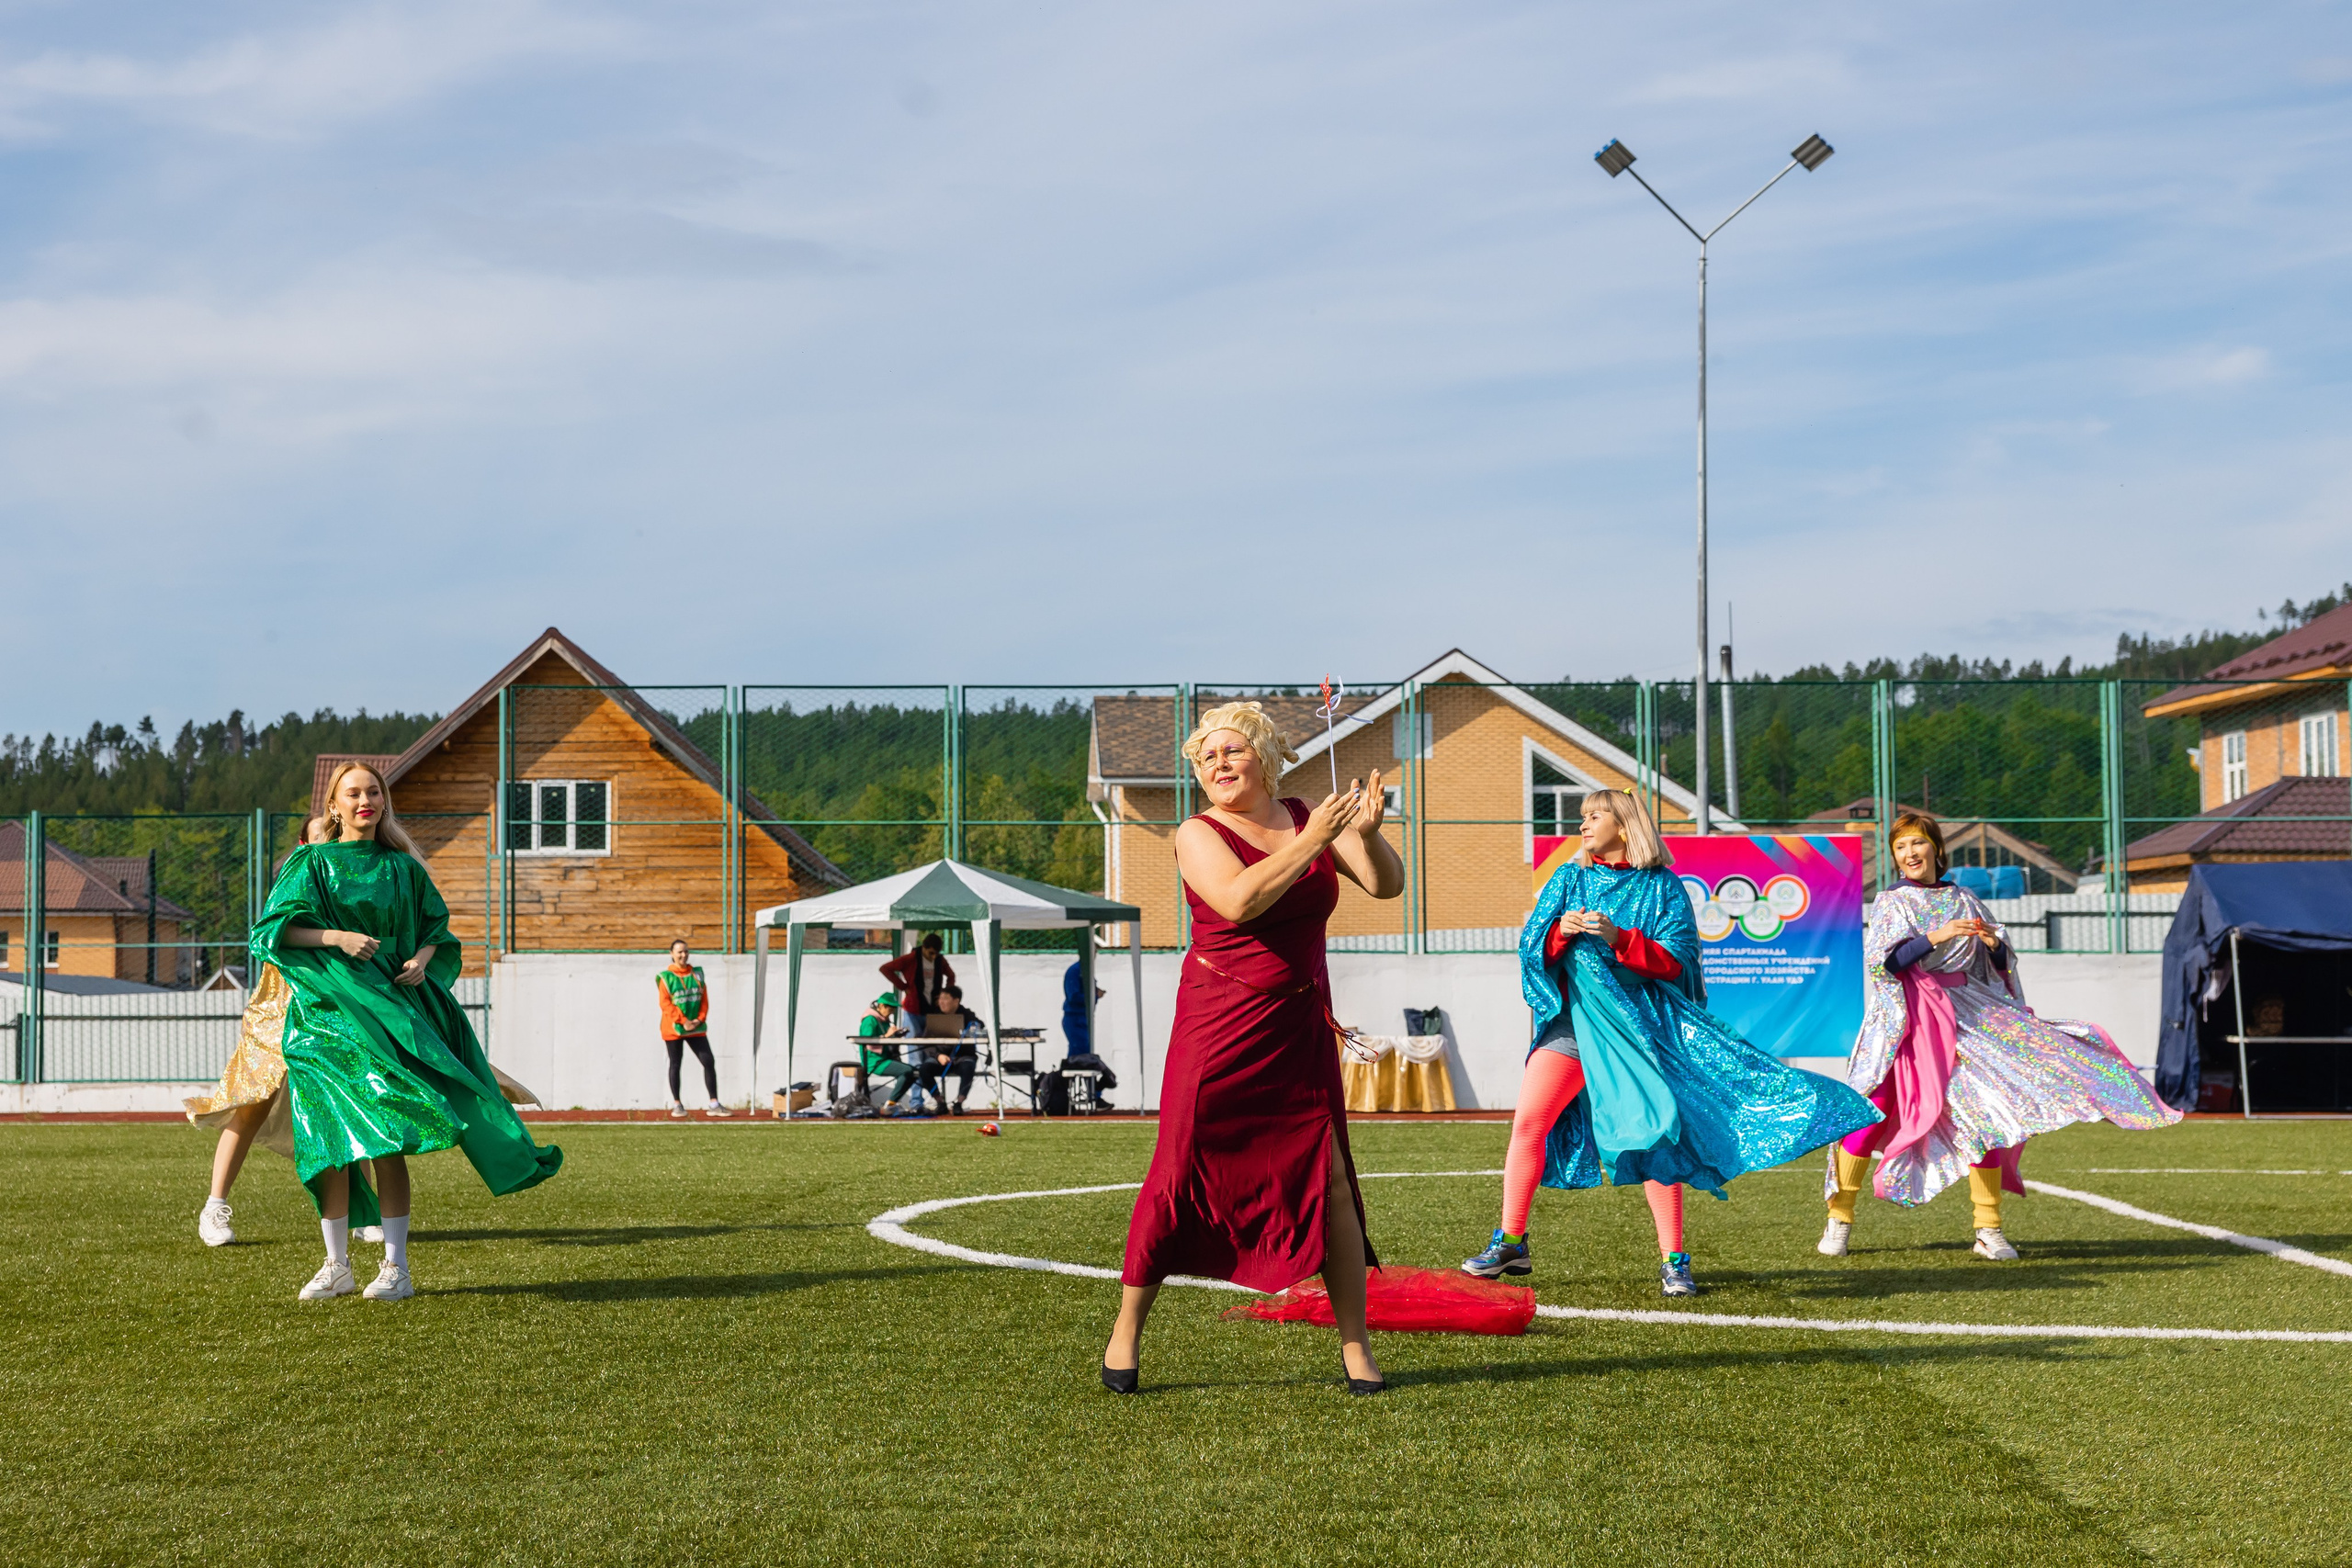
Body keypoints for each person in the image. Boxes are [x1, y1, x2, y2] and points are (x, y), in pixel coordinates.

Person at [1460, 788, 1878, 1297]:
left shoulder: (1663, 886)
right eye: (1582, 816)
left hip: (1641, 1031)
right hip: (1572, 1028)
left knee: (1655, 1136)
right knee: (1529, 1123)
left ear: (1624, 825)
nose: (1583, 825)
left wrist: (1618, 937)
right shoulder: (1568, 878)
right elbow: (1532, 948)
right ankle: (1510, 1242)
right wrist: (1559, 933)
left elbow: (1678, 962)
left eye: (1594, 816)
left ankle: (1674, 1260)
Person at [1107, 701, 1402, 1395]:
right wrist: (1315, 839)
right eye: (1207, 756)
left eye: (1232, 750)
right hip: (1218, 1027)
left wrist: (1366, 835)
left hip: (1299, 1028)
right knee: (1177, 1174)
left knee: (1330, 1179)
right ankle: (1126, 1331)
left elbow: (1386, 886)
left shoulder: (1306, 815)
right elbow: (1240, 901)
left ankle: (1356, 1348)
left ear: (1264, 757)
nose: (1219, 764)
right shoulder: (1196, 832)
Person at [255, 761, 563, 1303]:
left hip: (391, 1013)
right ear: (334, 806)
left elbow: (435, 931)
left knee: (386, 1135)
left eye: (374, 792)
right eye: (353, 793)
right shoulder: (310, 862)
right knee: (325, 1139)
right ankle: (336, 1265)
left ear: (384, 801)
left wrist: (421, 960)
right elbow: (273, 932)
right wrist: (336, 938)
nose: (365, 801)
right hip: (324, 1019)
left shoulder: (403, 868)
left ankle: (395, 1267)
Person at [1823, 813, 2183, 1260]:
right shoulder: (1892, 901)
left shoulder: (1965, 898)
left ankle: (1988, 1229)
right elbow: (1885, 964)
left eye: (1917, 843)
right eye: (1901, 847)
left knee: (1984, 1116)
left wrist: (1994, 947)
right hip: (1907, 1020)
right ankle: (1839, 1218)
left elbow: (1995, 966)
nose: (1910, 853)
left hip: (1969, 1018)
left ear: (1936, 848)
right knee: (1870, 1112)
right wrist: (1937, 935)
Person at [187, 816, 329, 1247]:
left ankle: (362, 1212)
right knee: (252, 1102)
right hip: (280, 1005)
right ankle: (214, 1207)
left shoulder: (355, 874)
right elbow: (267, 935)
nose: (328, 840)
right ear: (303, 842)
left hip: (333, 1005)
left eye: (333, 833)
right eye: (320, 834)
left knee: (348, 1104)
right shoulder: (297, 872)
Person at [658, 938, 729, 1120]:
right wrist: (683, 1021)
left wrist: (698, 1019)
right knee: (675, 1063)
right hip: (674, 1028)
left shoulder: (697, 974)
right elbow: (665, 1004)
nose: (683, 955)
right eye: (679, 952)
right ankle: (677, 1104)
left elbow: (704, 999)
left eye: (686, 951)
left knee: (708, 1061)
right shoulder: (666, 978)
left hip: (696, 1027)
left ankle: (714, 1104)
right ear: (672, 954)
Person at [918, 984, 984, 1115]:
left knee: (968, 1067)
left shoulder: (967, 1015)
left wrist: (974, 1027)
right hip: (940, 1058)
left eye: (945, 999)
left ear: (956, 1001)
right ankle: (939, 1101)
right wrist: (938, 1055)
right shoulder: (934, 1016)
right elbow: (925, 1041)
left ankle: (959, 1103)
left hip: (963, 1057)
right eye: (940, 999)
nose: (941, 1002)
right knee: (924, 1069)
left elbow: (980, 1025)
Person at [855, 990, 923, 1113]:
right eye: (890, 1009)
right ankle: (890, 1104)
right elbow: (867, 1040)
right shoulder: (870, 1020)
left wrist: (896, 1035)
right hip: (874, 1062)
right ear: (881, 1006)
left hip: (886, 1059)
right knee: (907, 1071)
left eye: (894, 1010)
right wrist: (887, 1036)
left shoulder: (884, 1020)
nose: (891, 1012)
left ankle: (893, 1103)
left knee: (914, 1072)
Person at [879, 932, 954, 1036]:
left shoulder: (940, 960)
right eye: (931, 953)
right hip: (913, 1010)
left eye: (936, 954)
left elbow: (951, 976)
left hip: (933, 1010)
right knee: (914, 1044)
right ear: (923, 947)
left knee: (933, 1044)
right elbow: (885, 968)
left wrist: (944, 996)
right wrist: (903, 986)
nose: (933, 957)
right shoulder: (911, 958)